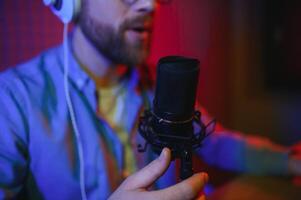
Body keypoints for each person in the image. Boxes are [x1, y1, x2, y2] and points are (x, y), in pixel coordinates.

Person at [0, 0, 300, 199]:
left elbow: (216, 142)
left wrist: (289, 162)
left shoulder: (160, 84)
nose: (150, 4)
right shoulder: (13, 100)